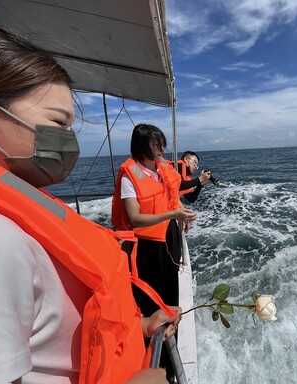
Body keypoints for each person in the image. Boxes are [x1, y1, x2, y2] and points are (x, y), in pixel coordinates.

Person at [0, 18, 180, 384]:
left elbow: (58, 331)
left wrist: (140, 325)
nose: (67, 140)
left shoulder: (12, 217)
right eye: (58, 123)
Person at [111, 124, 197, 380]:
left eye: (161, 144)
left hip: (167, 241)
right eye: (155, 145)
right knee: (151, 301)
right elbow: (135, 219)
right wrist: (174, 214)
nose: (161, 150)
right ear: (142, 147)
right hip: (147, 249)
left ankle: (170, 356)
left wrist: (182, 217)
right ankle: (153, 364)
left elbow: (172, 197)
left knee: (170, 298)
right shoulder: (130, 176)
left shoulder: (161, 170)